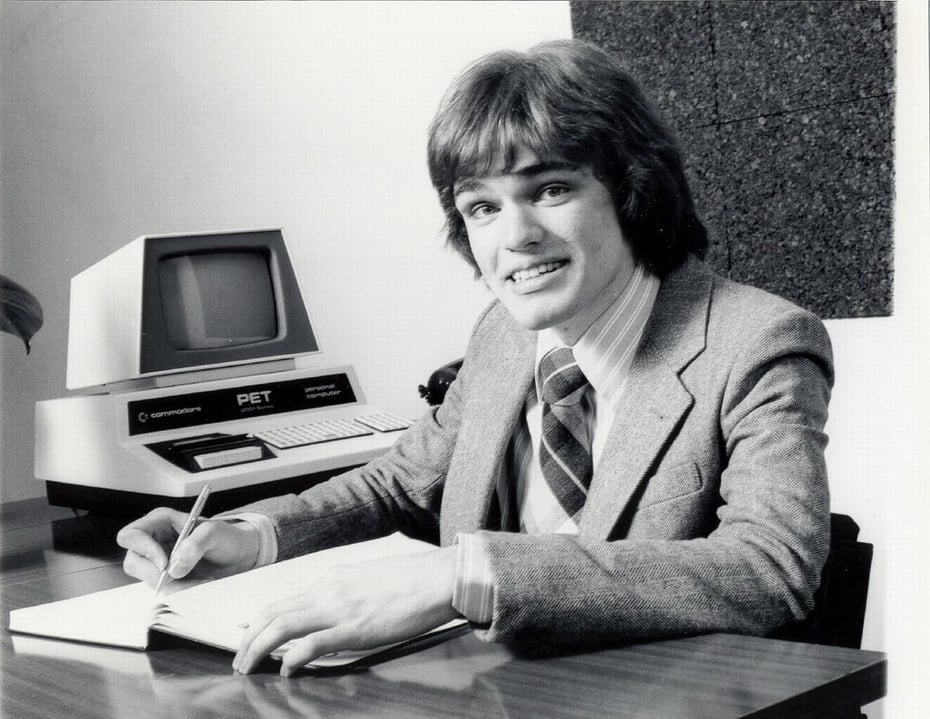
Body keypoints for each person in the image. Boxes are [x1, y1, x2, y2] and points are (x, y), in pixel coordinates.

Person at [117, 39, 833, 677]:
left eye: (550, 189)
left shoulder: (758, 340)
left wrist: (461, 574)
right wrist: (252, 535)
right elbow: (400, 482)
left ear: (630, 187)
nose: (515, 236)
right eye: (482, 207)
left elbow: (768, 567)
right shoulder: (503, 332)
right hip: (493, 689)